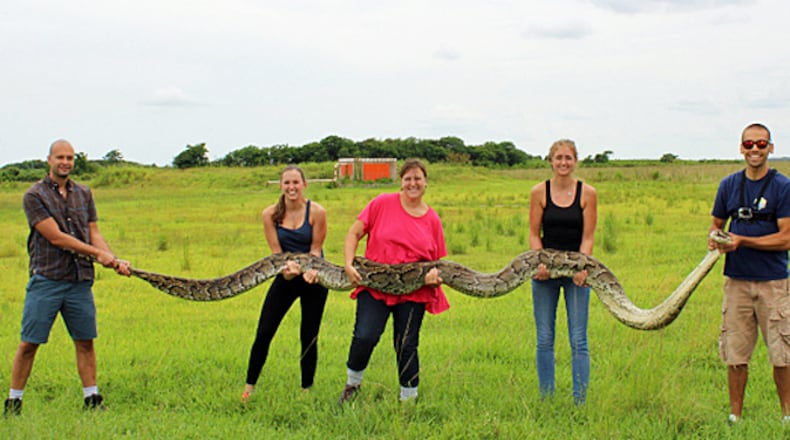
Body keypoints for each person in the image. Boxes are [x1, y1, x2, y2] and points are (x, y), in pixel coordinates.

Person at [4, 139, 131, 416]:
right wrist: (99, 255)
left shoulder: (83, 193)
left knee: (85, 340)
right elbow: (56, 237)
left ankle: (92, 399)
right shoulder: (34, 196)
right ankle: (13, 402)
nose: (65, 162)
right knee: (29, 342)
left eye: (70, 157)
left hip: (79, 280)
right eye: (60, 157)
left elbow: (93, 232)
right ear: (48, 160)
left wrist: (113, 258)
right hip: (47, 279)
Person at [338, 158, 448, 404]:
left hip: (413, 290)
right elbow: (354, 233)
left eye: (417, 178)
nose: (413, 183)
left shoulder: (432, 220)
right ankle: (352, 385)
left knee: (406, 343)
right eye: (408, 178)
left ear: (426, 182)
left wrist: (432, 278)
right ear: (401, 182)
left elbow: (438, 264)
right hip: (375, 284)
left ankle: (409, 399)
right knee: (365, 335)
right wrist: (348, 263)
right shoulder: (382, 203)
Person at [708, 122, 790, 424]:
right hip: (737, 282)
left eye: (761, 144)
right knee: (736, 354)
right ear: (741, 148)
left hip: (774, 283)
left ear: (771, 148)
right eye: (749, 144)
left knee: (782, 355)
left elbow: (786, 237)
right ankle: (735, 417)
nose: (754, 149)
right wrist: (715, 236)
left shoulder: (783, 187)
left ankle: (787, 416)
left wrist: (743, 240)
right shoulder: (728, 185)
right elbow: (716, 224)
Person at [241, 165, 329, 403]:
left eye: (296, 183)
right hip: (286, 274)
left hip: (314, 277)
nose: (292, 187)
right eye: (287, 183)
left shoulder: (317, 212)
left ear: (304, 185)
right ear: (280, 186)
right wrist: (288, 273)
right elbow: (276, 253)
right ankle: (248, 389)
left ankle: (306, 390)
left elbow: (315, 249)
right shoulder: (269, 214)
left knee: (309, 334)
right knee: (264, 331)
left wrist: (311, 272)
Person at [528, 139, 598, 405]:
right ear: (550, 161)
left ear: (576, 161)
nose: (563, 163)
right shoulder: (539, 192)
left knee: (579, 339)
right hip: (545, 273)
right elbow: (535, 234)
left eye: (568, 158)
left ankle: (579, 401)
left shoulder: (587, 193)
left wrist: (583, 268)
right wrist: (539, 263)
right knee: (545, 338)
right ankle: (547, 399)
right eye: (558, 158)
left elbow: (588, 237)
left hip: (577, 274)